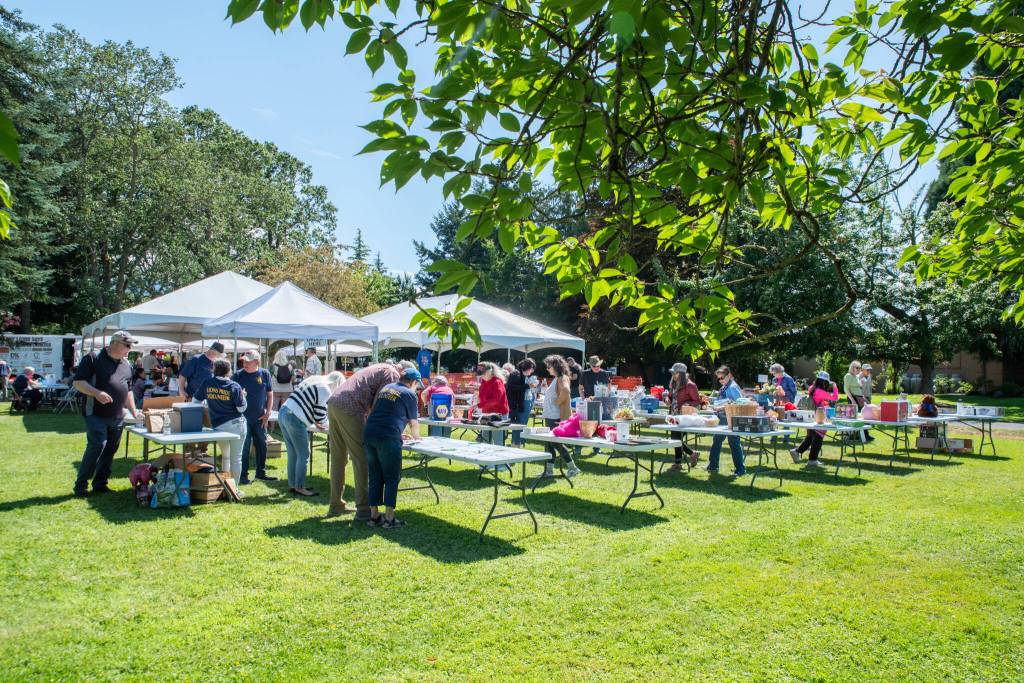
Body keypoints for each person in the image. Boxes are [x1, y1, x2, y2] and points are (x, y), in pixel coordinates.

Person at [326, 362, 401, 519]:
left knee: (338, 458)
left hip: (334, 403)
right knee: (362, 459)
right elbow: (380, 406)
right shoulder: (393, 375)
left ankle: (336, 505)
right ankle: (364, 509)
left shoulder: (379, 368)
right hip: (350, 407)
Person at [72, 331, 141, 497]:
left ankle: (100, 484)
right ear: (115, 343)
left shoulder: (126, 364)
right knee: (98, 445)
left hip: (117, 416)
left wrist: (133, 410)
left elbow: (128, 390)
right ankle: (81, 486)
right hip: (95, 412)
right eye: (127, 345)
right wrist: (97, 393)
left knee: (110, 449)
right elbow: (78, 383)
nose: (130, 349)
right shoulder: (93, 358)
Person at [363, 367, 422, 529]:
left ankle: (374, 516)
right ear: (412, 382)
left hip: (370, 433)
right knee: (391, 477)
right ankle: (389, 519)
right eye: (417, 385)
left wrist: (398, 432)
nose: (417, 388)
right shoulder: (409, 394)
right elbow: (413, 422)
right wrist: (418, 438)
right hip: (387, 437)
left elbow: (385, 412)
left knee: (374, 475)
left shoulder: (386, 388)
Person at [277, 371, 344, 497]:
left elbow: (309, 405)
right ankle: (300, 487)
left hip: (284, 412)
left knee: (293, 453)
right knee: (304, 453)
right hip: (295, 418)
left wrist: (318, 420)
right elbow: (321, 417)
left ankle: (293, 484)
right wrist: (333, 424)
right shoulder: (325, 390)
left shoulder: (315, 379)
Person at [193, 359, 248, 485]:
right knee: (236, 459)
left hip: (219, 426)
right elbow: (242, 408)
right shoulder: (234, 386)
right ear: (229, 371)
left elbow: (195, 401)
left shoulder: (207, 383)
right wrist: (243, 396)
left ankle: (224, 486)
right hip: (236, 425)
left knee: (226, 456)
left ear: (214, 369)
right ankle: (234, 489)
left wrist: (209, 406)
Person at [232, 350, 275, 484]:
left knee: (262, 445)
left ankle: (260, 473)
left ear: (256, 362)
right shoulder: (237, 375)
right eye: (244, 361)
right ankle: (243, 476)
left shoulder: (265, 373)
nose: (245, 363)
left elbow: (270, 394)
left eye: (248, 361)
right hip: (242, 418)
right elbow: (230, 395)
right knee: (244, 448)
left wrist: (268, 413)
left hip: (260, 418)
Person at [541, 355, 580, 477]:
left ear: (555, 366)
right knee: (549, 444)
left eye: (549, 366)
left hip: (555, 417)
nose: (547, 369)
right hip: (551, 415)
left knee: (556, 444)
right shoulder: (557, 378)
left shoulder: (562, 377)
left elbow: (566, 391)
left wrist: (556, 402)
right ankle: (549, 471)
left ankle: (573, 468)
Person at [790, 371, 839, 468]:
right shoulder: (820, 392)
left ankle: (796, 452)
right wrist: (835, 387)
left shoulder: (812, 388)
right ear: (824, 382)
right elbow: (835, 398)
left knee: (809, 438)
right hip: (818, 416)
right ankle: (812, 460)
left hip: (811, 416)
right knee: (818, 438)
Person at [707, 365, 746, 477]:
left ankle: (740, 469)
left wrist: (722, 407)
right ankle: (713, 465)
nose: (720, 381)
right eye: (718, 379)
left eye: (722, 378)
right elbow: (723, 400)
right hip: (723, 418)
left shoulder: (733, 387)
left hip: (731, 418)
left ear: (729, 375)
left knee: (734, 442)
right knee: (717, 440)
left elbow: (739, 403)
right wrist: (713, 401)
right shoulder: (725, 386)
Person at [666, 362, 701, 471]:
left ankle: (678, 464)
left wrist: (687, 404)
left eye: (675, 373)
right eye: (672, 373)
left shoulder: (690, 385)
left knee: (677, 439)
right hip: (674, 415)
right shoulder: (673, 383)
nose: (673, 375)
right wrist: (667, 400)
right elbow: (670, 397)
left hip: (685, 417)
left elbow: (697, 401)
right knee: (674, 439)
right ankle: (692, 454)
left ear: (681, 374)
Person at [506, 359, 537, 446]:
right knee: (518, 426)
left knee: (519, 426)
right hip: (515, 404)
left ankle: (515, 444)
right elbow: (511, 388)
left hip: (519, 404)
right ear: (528, 367)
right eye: (532, 369)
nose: (532, 371)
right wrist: (527, 386)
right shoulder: (516, 374)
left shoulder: (521, 374)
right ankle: (515, 444)